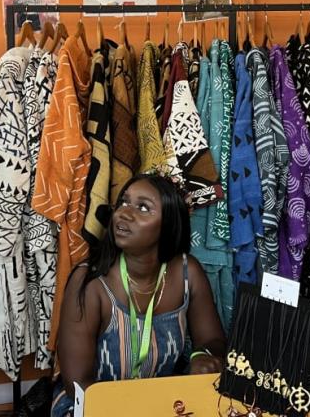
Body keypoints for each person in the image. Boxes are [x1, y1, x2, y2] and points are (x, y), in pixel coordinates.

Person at [52, 174, 226, 416]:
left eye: (143, 207)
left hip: (160, 401)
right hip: (92, 405)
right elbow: (78, 384)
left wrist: (202, 356)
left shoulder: (188, 273)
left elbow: (213, 341)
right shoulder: (91, 282)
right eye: (123, 202)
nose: (124, 213)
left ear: (168, 223)